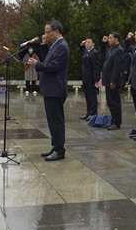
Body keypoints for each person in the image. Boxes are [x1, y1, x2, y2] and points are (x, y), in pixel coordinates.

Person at [28, 20, 70, 161]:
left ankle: (59, 150)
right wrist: (44, 45)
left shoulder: (62, 46)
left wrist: (37, 64)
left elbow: (53, 67)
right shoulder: (55, 45)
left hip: (55, 89)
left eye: (48, 32)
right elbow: (47, 60)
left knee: (57, 122)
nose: (46, 35)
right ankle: (55, 146)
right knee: (52, 122)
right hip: (50, 89)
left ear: (56, 31)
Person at [101, 33, 125, 130]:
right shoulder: (112, 49)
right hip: (107, 79)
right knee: (110, 102)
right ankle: (113, 120)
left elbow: (117, 67)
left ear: (117, 39)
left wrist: (113, 81)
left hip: (113, 81)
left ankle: (117, 122)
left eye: (111, 38)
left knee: (115, 102)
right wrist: (103, 43)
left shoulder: (118, 50)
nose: (109, 40)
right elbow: (103, 53)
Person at [78, 37, 100, 120]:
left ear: (93, 43)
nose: (87, 44)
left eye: (89, 42)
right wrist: (81, 45)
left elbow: (96, 67)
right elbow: (81, 51)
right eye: (86, 42)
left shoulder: (94, 53)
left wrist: (96, 79)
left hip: (91, 78)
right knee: (87, 96)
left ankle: (93, 113)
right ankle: (89, 112)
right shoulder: (87, 52)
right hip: (85, 77)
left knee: (92, 96)